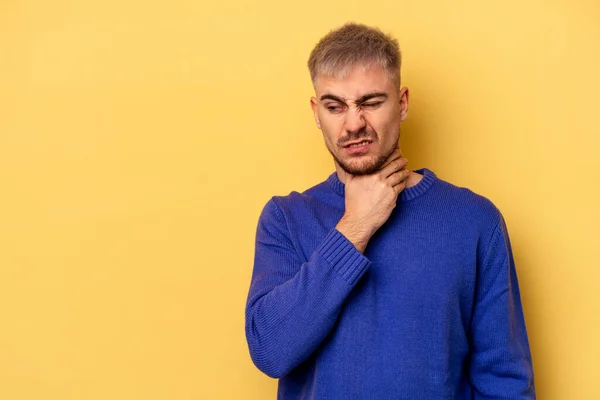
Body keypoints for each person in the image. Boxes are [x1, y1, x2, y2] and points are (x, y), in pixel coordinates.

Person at [244, 22, 535, 399]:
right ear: (316, 112)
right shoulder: (286, 218)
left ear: (402, 103)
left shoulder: (474, 220)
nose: (354, 124)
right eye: (335, 106)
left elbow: (505, 381)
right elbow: (270, 351)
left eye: (371, 102)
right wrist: (355, 227)